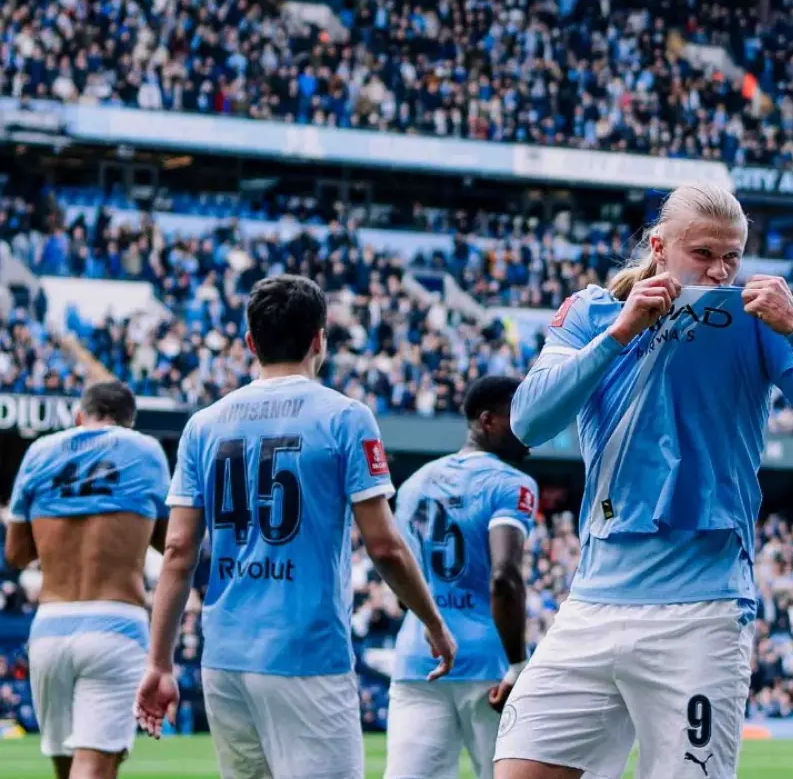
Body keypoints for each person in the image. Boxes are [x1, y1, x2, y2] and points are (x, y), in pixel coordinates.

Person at [493, 183, 793, 779]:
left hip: (703, 609)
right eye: (703, 254)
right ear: (659, 246)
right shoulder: (592, 312)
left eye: (732, 257)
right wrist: (618, 333)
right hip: (593, 602)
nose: (720, 271)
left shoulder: (758, 323)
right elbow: (528, 421)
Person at [134, 274, 457, 779]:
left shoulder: (204, 423)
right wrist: (434, 624)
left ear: (249, 343)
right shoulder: (345, 418)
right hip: (307, 653)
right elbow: (385, 546)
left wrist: (158, 663)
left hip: (225, 658)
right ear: (319, 339)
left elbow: (177, 550)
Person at [4, 381, 170, 779]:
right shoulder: (144, 450)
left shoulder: (39, 452)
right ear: (129, 421)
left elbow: (16, 554)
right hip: (115, 626)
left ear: (80, 416)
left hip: (49, 629)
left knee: (67, 769)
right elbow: (170, 544)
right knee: (95, 769)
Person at [386, 375, 538, 779]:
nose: (529, 426)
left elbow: (401, 586)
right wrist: (518, 664)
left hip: (418, 659)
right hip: (489, 664)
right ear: (487, 420)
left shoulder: (414, 485)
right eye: (517, 416)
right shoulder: (512, 484)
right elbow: (504, 579)